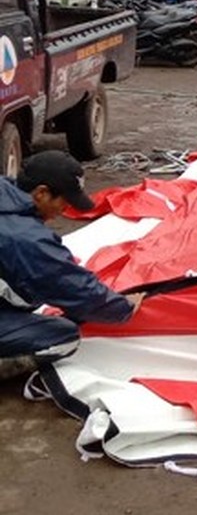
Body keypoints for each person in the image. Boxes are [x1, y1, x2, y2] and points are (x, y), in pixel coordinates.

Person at [0, 151, 143, 380]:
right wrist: (124, 307)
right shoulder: (25, 238)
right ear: (41, 193)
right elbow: (74, 289)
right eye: (64, 202)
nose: (64, 211)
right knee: (62, 336)